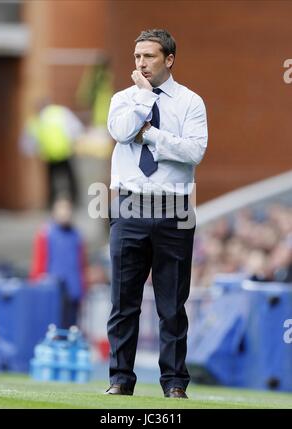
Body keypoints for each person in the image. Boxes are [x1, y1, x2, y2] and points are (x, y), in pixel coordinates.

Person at [105, 29, 208, 398]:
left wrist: (151, 136)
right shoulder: (123, 99)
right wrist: (144, 101)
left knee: (172, 304)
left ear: (169, 59)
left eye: (149, 56)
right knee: (123, 301)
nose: (141, 64)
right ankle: (119, 379)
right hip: (129, 204)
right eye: (137, 57)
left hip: (174, 207)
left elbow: (194, 152)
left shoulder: (191, 102)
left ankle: (175, 384)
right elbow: (120, 131)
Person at [29, 196, 88, 328]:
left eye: (67, 209)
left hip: (73, 291)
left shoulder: (77, 235)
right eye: (61, 209)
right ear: (54, 212)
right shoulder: (46, 233)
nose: (65, 213)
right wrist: (36, 287)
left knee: (72, 328)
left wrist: (84, 289)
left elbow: (82, 264)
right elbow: (39, 262)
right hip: (52, 291)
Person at [21, 99, 84, 207]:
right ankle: (75, 201)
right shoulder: (60, 112)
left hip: (50, 155)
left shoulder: (36, 120)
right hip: (65, 152)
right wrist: (73, 142)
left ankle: (52, 203)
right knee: (70, 178)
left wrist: (34, 152)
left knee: (52, 181)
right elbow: (76, 128)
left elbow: (28, 142)